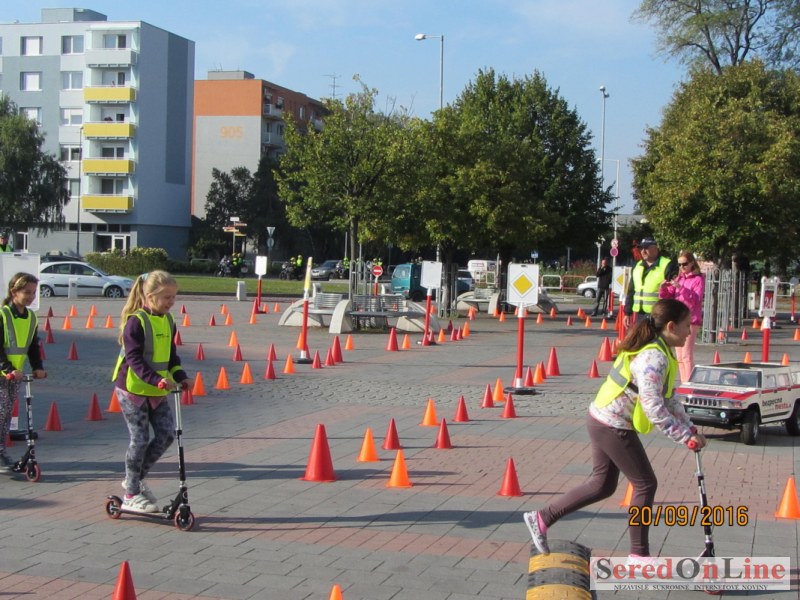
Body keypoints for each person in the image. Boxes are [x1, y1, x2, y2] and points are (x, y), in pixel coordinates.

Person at [523, 298, 706, 562]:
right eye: (687, 325)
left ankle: (541, 518)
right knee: (645, 484)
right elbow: (654, 408)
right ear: (671, 326)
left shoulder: (662, 350)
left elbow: (668, 398)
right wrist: (685, 436)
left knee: (602, 485)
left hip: (603, 418)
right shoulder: (654, 357)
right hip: (611, 423)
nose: (690, 331)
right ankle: (639, 556)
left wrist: (690, 427)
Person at [112, 270, 190, 514]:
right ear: (149, 296)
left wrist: (180, 375)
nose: (171, 302)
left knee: (166, 434)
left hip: (156, 388)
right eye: (166, 297)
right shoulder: (136, 322)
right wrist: (157, 380)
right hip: (133, 389)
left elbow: (171, 355)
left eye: (174, 297)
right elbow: (134, 359)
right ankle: (130, 493)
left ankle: (134, 479)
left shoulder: (168, 320)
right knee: (140, 439)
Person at [0, 273, 46, 470]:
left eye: (34, 292)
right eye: (27, 292)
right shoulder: (3, 315)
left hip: (13, 375)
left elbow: (33, 346)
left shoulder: (31, 317)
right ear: (14, 292)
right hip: (5, 372)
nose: (31, 296)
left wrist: (38, 367)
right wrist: (7, 368)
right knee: (1, 413)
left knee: (6, 415)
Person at [659, 250, 705, 382]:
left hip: (691, 320)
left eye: (684, 264)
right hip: (677, 319)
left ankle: (689, 384)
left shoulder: (698, 279)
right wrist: (663, 288)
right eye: (679, 265)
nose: (682, 267)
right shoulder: (679, 278)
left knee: (686, 355)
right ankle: (685, 383)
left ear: (691, 263)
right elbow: (667, 297)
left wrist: (681, 288)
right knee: (679, 356)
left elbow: (696, 299)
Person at [623, 237, 677, 329]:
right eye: (641, 248)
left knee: (656, 338)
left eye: (646, 248)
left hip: (659, 314)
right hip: (640, 315)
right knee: (641, 338)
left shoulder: (667, 265)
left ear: (655, 248)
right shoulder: (637, 266)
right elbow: (631, 291)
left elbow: (673, 291)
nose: (643, 251)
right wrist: (627, 313)